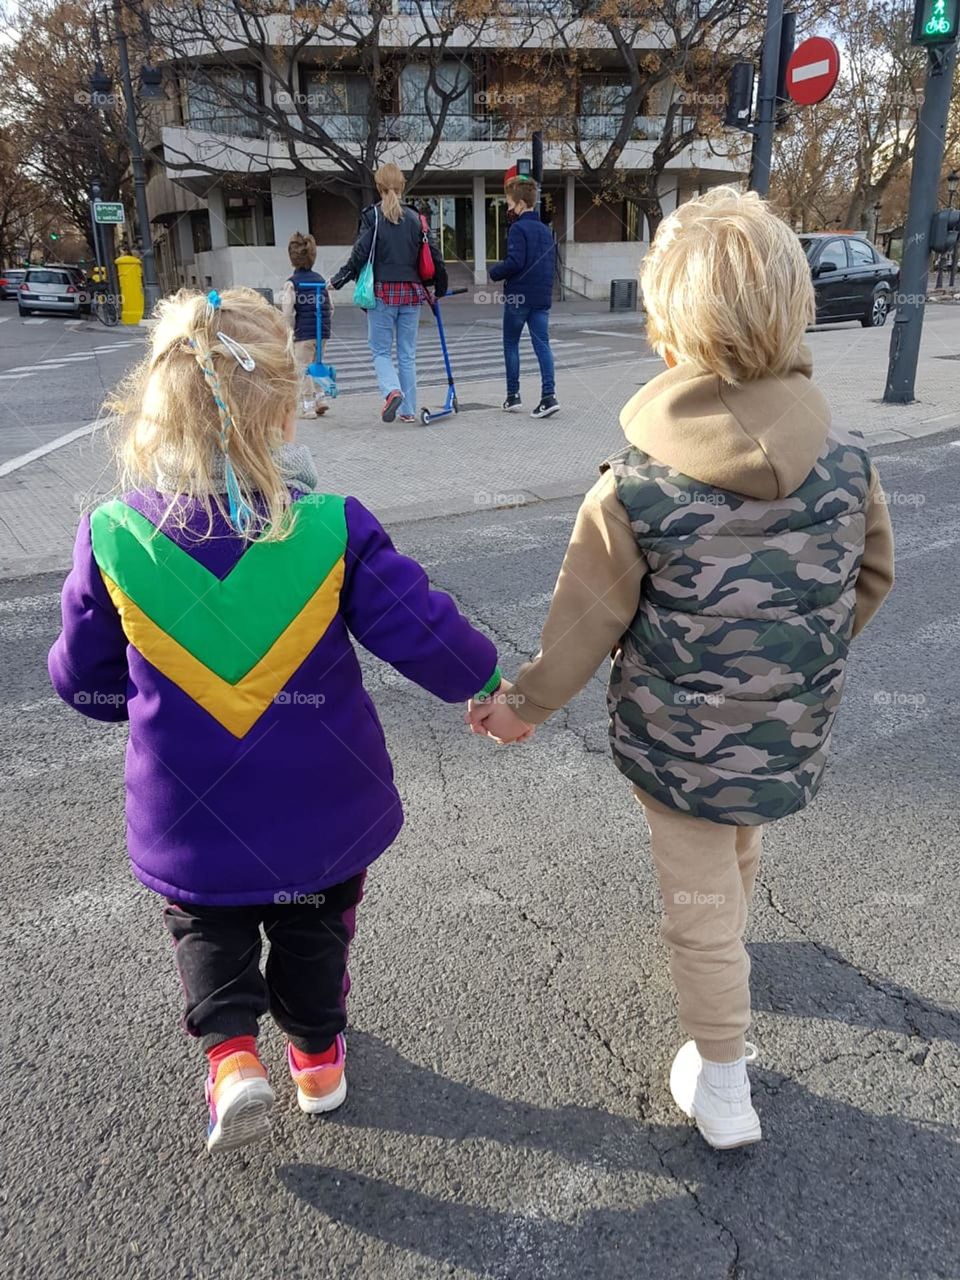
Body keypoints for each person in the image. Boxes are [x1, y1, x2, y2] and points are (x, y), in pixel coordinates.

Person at [468, 187, 895, 1150]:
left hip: (678, 740)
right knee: (737, 839)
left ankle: (725, 1079)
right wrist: (797, 663)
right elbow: (871, 577)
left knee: (695, 906)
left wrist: (521, 706)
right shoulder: (850, 462)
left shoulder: (636, 485)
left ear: (667, 330)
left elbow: (583, 624)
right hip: (790, 725)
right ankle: (730, 971)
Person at [48, 286, 502, 1155]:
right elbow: (421, 627)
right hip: (323, 812)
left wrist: (128, 696)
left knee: (205, 926)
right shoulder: (330, 529)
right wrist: (484, 683)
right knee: (316, 926)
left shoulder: (112, 535)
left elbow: (85, 678)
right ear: (285, 414)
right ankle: (317, 1059)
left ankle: (229, 1058)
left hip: (189, 816)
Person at [330, 164, 447, 424]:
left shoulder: (372, 217)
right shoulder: (417, 218)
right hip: (413, 293)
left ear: (378, 187)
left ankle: (392, 390)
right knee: (407, 353)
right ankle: (408, 410)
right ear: (402, 186)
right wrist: (440, 288)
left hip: (382, 292)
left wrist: (338, 280)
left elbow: (359, 255)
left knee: (381, 351)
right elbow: (435, 256)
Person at [489, 174, 558, 419]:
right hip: (541, 298)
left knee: (511, 344)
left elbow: (515, 262)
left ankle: (513, 396)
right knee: (543, 345)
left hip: (518, 297)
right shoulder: (545, 230)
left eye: (509, 204)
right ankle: (548, 397)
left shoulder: (518, 228)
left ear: (519, 204)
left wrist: (494, 272)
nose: (508, 208)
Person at [279, 230, 332, 418]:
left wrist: (290, 330)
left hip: (304, 332)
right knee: (317, 363)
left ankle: (308, 406)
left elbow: (287, 312)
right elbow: (331, 307)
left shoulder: (292, 283)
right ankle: (321, 398)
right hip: (323, 331)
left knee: (303, 368)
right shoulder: (320, 280)